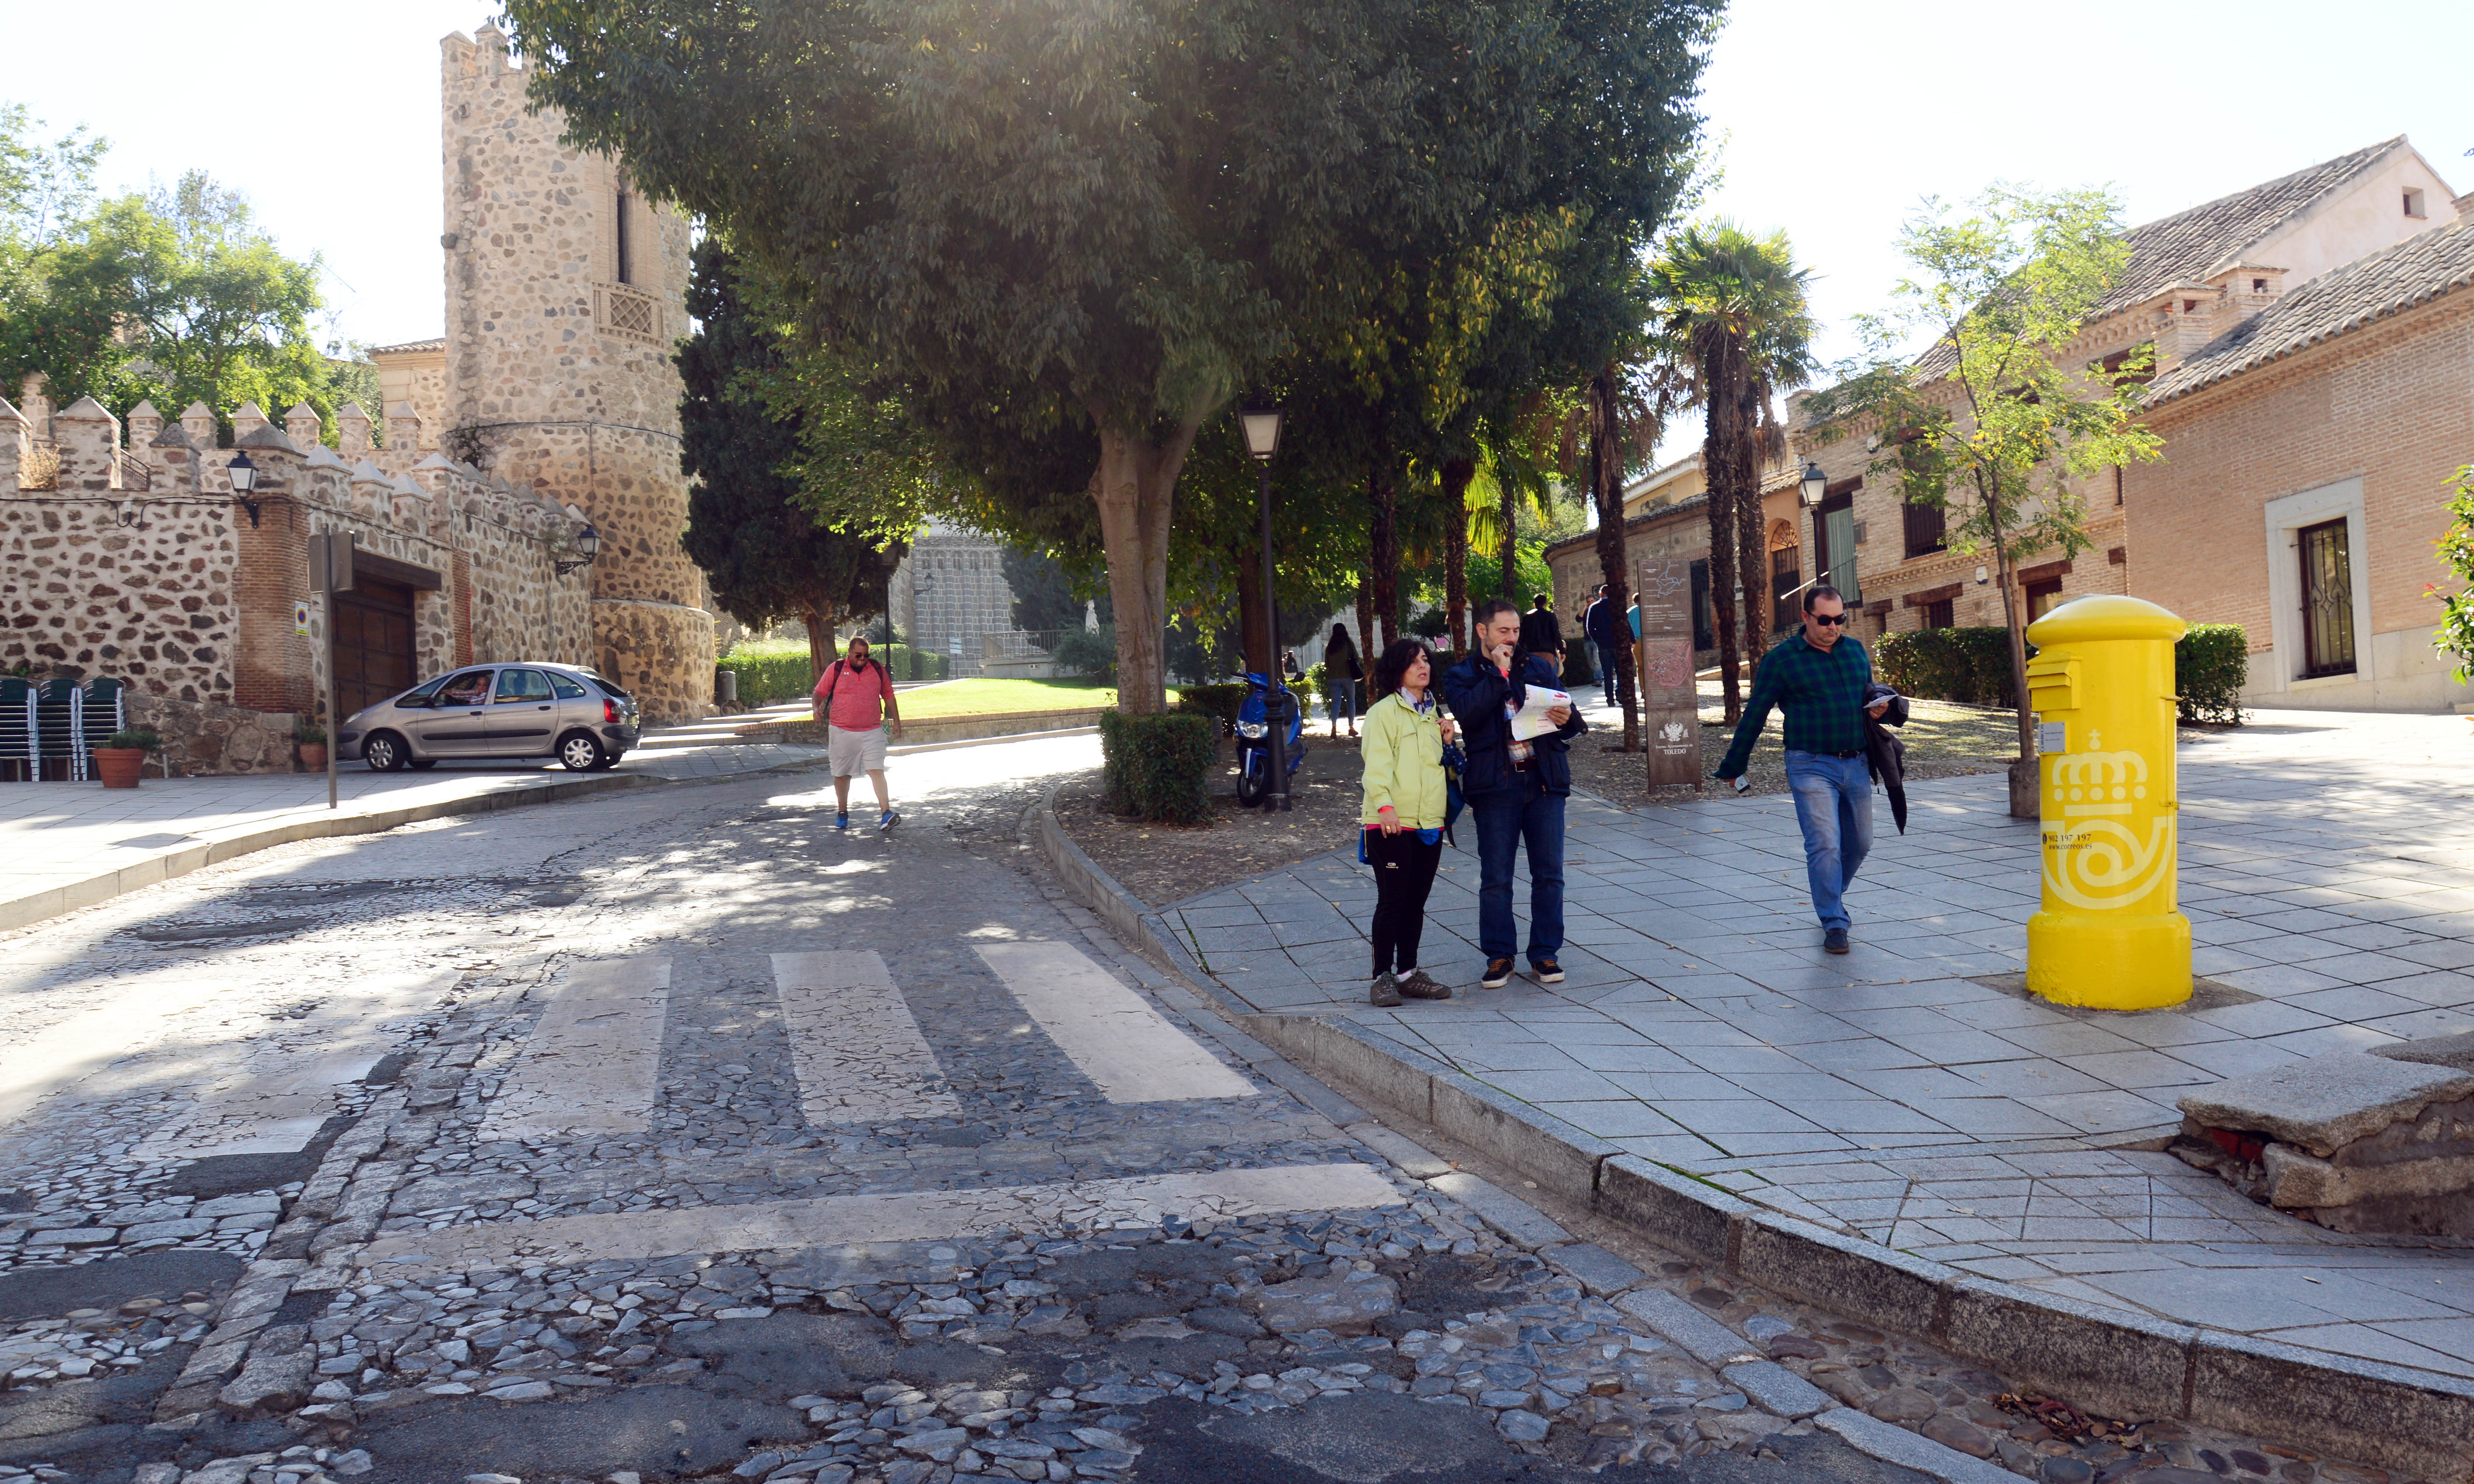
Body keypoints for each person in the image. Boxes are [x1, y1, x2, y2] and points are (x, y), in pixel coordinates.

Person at [1712, 585, 1891, 954]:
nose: (1833, 627)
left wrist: (1877, 706)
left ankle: (1829, 893)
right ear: (1806, 617)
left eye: (1839, 619)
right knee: (1825, 843)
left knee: (1861, 842)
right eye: (1825, 620)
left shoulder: (1856, 651)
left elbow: (1867, 695)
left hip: (1856, 761)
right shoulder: (1782, 660)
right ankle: (1834, 921)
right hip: (1809, 764)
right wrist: (1735, 764)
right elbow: (1756, 713)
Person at [1442, 598, 1586, 990]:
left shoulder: (1538, 666)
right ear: (1482, 631)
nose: (1512, 638)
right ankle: (1499, 955)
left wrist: (1566, 718)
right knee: (1496, 877)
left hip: (1543, 782)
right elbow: (1468, 715)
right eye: (1503, 631)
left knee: (1549, 874)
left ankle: (1544, 952)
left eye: (1516, 631)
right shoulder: (1462, 674)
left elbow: (1573, 720)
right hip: (1495, 788)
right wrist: (1498, 674)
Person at [1359, 639, 1459, 1008]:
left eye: (1426, 660)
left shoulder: (1435, 714)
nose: (1424, 666)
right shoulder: (1383, 713)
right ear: (1397, 669)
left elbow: (1445, 771)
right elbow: (1376, 768)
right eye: (1414, 661)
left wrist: (1449, 743)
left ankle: (1408, 973)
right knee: (1393, 900)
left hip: (1428, 824)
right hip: (1390, 824)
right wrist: (1385, 807)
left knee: (1416, 901)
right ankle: (1381, 976)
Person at [812, 634, 904, 832]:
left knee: (876, 770)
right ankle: (843, 812)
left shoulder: (877, 669)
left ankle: (886, 813)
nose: (863, 660)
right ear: (850, 653)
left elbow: (888, 695)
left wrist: (896, 721)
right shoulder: (836, 669)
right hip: (842, 731)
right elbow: (819, 692)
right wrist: (815, 708)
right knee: (842, 774)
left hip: (872, 730)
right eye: (858, 656)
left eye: (866, 656)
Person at [1582, 583, 1623, 701]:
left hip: (1603, 645)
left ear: (1600, 595)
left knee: (1607, 672)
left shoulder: (1594, 608)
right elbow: (1625, 623)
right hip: (1617, 643)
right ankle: (1619, 693)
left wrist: (1597, 640)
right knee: (1620, 670)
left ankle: (1610, 698)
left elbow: (1589, 628)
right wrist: (1630, 639)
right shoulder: (1617, 605)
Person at [1324, 623, 1363, 737]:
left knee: (1335, 703)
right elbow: (1357, 658)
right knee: (1351, 702)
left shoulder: (1330, 646)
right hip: (1348, 677)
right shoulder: (1349, 643)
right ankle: (1351, 728)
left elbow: (1327, 664)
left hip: (1333, 678)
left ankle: (1334, 727)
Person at [1519, 593, 1565, 674]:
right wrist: (1562, 651)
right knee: (1550, 679)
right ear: (1545, 604)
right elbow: (1556, 634)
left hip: (1531, 653)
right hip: (1548, 653)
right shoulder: (1551, 616)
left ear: (1534, 605)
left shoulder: (1527, 618)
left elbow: (1521, 638)